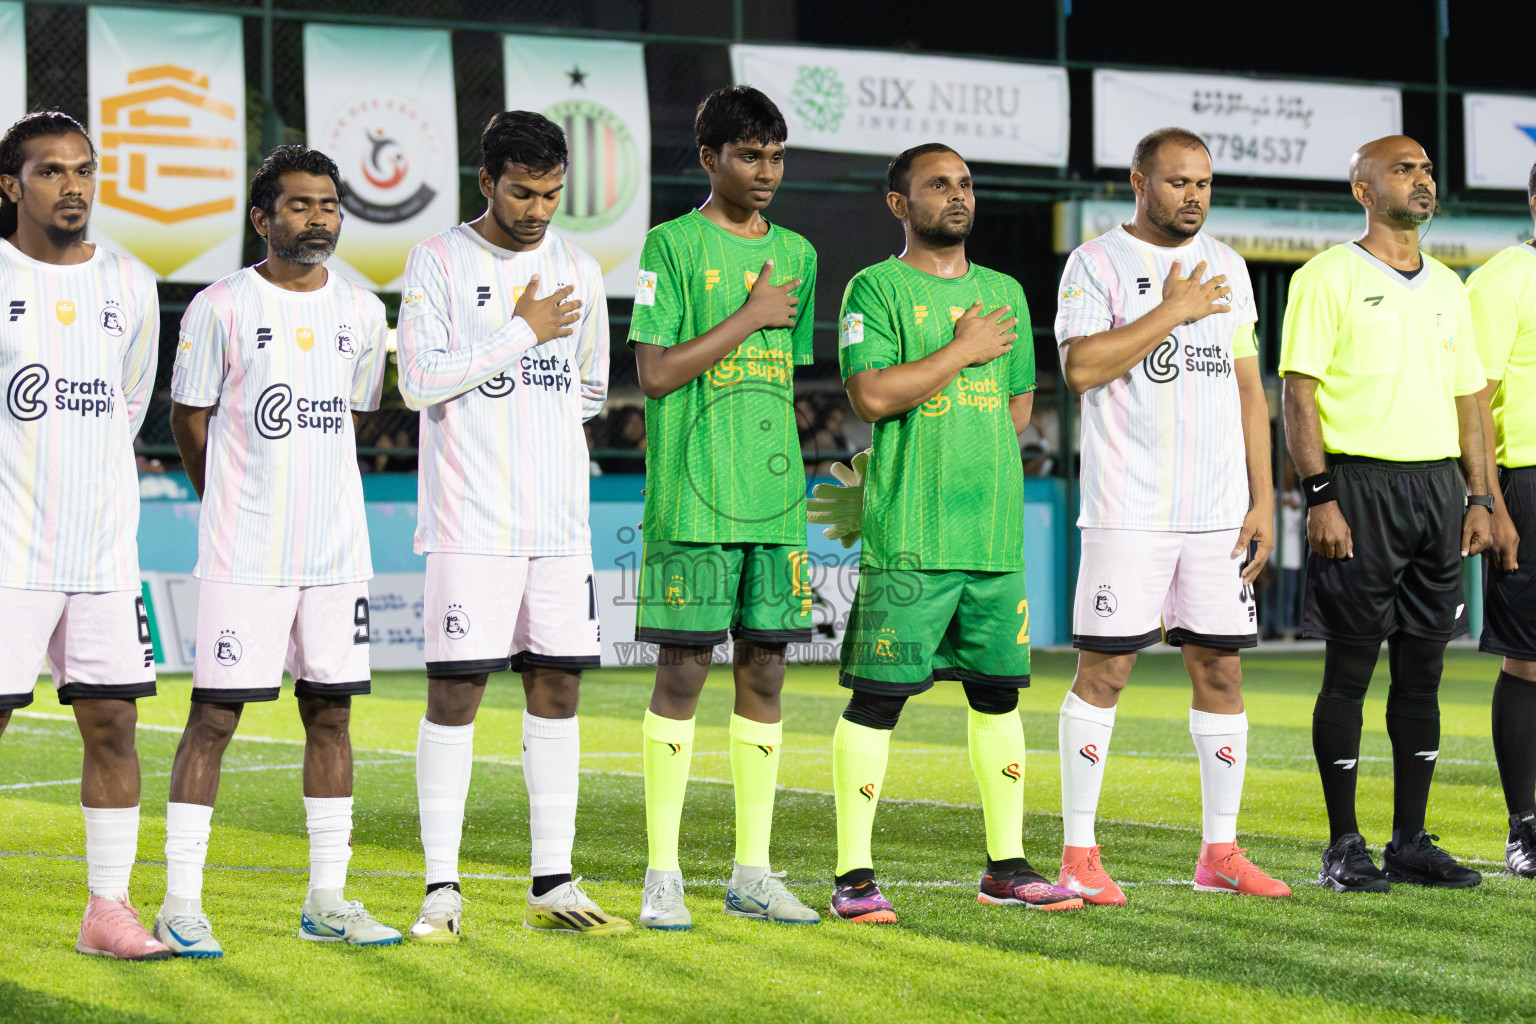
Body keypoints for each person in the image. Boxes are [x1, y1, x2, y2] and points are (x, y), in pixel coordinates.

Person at [828, 142, 1077, 924]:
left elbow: (1018, 409)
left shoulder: (1003, 290)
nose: (957, 195)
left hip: (993, 539)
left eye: (965, 183)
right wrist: (960, 350)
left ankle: (1006, 866)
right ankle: (853, 876)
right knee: (878, 702)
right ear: (900, 203)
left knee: (998, 698)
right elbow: (871, 395)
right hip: (912, 536)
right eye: (937, 185)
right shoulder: (876, 287)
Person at [158, 145, 398, 955]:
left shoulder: (364, 312)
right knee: (214, 717)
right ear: (262, 218)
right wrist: (226, 498)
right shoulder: (218, 305)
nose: (319, 217)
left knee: (331, 715)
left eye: (328, 204)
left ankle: (327, 898)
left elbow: (352, 419)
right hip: (245, 552)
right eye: (299, 205)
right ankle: (179, 902)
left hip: (336, 554)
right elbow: (189, 418)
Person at [397, 111, 620, 938]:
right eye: (523, 193)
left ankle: (553, 881)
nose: (537, 210)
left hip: (560, 525)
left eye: (552, 194)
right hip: (469, 522)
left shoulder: (580, 268)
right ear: (486, 181)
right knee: (456, 693)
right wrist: (521, 330)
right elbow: (420, 379)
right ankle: (441, 888)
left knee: (557, 686)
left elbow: (590, 387)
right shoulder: (438, 261)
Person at [1052, 127, 1288, 903]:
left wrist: (1262, 500)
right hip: (1130, 510)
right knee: (1106, 671)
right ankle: (1078, 854)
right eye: (1179, 182)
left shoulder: (1229, 264)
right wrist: (1175, 310)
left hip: (1219, 513)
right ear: (1139, 182)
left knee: (1221, 669)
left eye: (1204, 184)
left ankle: (1219, 854)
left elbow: (1250, 391)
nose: (1194, 196)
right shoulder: (1095, 263)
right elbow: (1081, 366)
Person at [629, 85, 820, 930]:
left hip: (775, 506)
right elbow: (656, 374)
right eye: (750, 156)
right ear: (710, 159)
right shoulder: (668, 246)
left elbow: (786, 378)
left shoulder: (803, 256)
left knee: (768, 671)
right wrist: (746, 315)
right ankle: (662, 874)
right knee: (682, 673)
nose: (766, 171)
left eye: (776, 156)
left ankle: (752, 871)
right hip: (693, 500)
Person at [1281, 135, 1492, 892]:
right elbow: (1298, 393)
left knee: (1425, 671)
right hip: (1358, 489)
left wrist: (1482, 496)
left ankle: (1411, 840)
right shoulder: (1326, 276)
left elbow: (1471, 403)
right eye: (1405, 170)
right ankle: (1344, 844)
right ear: (1364, 191)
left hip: (1437, 490)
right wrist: (1320, 497)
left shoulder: (1449, 287)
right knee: (1350, 670)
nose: (1423, 180)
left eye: (1428, 169)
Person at [0, 110, 167, 959]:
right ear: (11, 186)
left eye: (85, 170)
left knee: (113, 727)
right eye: (52, 172)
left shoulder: (131, 284)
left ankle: (108, 912)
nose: (73, 186)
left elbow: (127, 407)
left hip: (103, 555)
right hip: (7, 555)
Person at [1465, 160, 1536, 878]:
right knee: (1530, 659)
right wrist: (1489, 499)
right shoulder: (1502, 280)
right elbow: (1474, 400)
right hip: (1529, 482)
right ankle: (1525, 827)